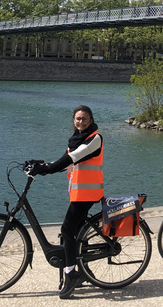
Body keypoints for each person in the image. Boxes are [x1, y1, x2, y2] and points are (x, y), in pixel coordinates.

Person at [28, 105, 103, 299]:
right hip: (78, 192)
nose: (80, 122)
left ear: (91, 120)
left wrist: (47, 169)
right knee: (76, 233)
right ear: (73, 120)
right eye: (78, 118)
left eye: (84, 119)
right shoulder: (75, 139)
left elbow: (73, 157)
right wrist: (42, 166)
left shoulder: (95, 138)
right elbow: (66, 162)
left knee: (67, 230)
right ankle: (83, 270)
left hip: (88, 193)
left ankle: (71, 275)